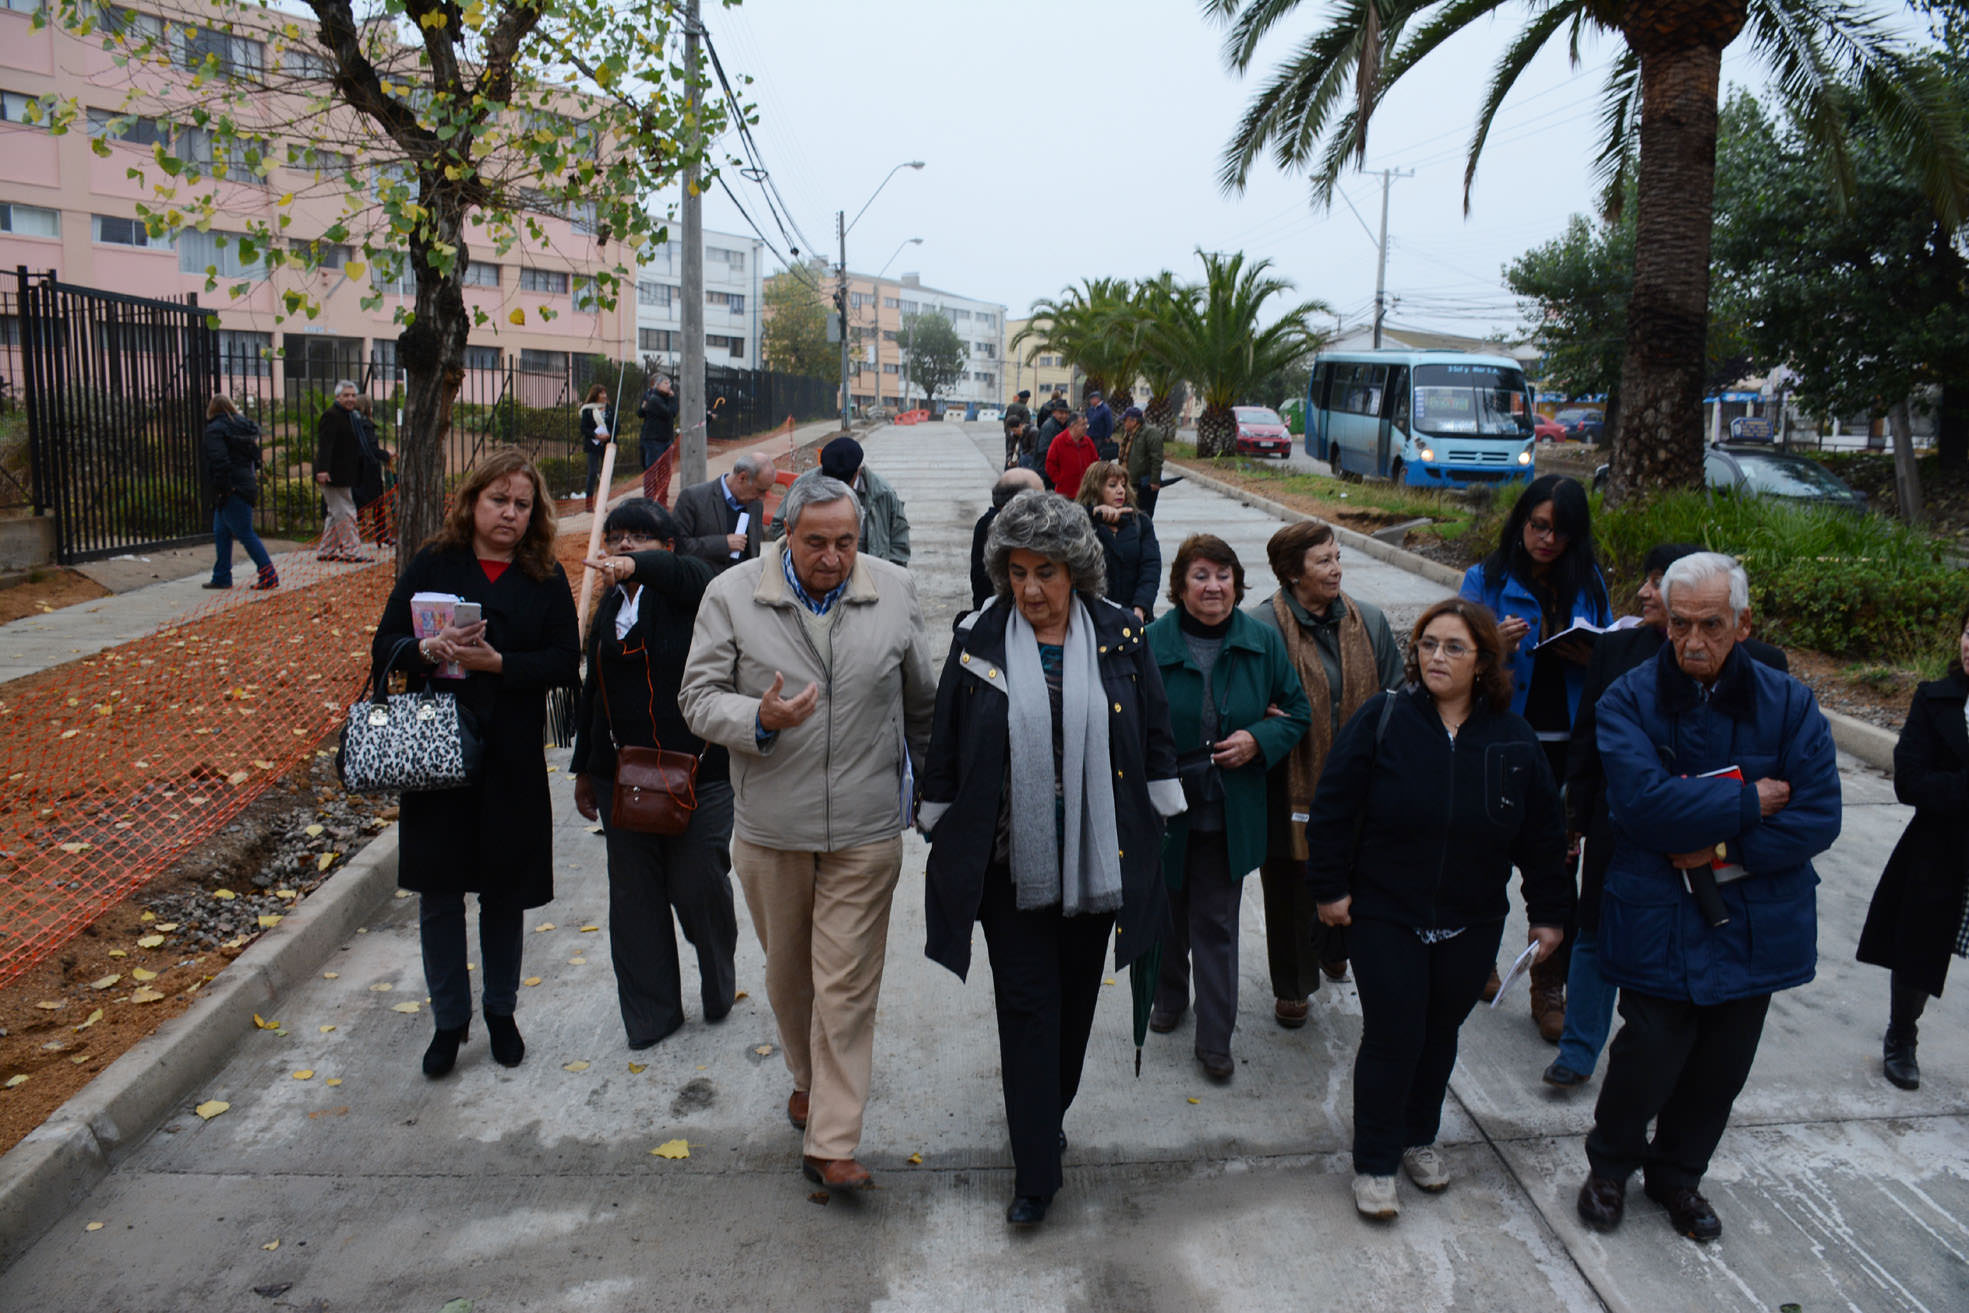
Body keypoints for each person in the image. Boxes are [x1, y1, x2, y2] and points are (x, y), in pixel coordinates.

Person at [921, 490, 1185, 1229]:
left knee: (1071, 1009)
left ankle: (1046, 1112)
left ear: (1076, 569)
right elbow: (945, 732)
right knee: (1027, 1007)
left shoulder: (1120, 635)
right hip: (1010, 862)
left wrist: (1161, 800)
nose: (1030, 589)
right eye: (1016, 570)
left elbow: (1153, 728)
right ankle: (1034, 1170)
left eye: (1046, 571)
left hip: (1097, 856)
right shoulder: (978, 636)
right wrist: (937, 808)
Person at [678, 472, 936, 1192]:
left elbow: (922, 702)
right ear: (782, 532)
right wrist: (759, 720)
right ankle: (805, 1074)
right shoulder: (730, 594)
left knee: (847, 983)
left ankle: (831, 1139)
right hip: (770, 826)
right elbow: (695, 698)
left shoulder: (893, 589)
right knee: (790, 976)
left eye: (845, 542)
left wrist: (934, 790)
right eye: (816, 542)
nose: (832, 557)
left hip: (865, 825)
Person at [1577, 552, 1841, 1244]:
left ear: (1743, 624)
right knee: (1647, 1054)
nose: (1693, 641)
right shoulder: (1627, 698)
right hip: (1657, 910)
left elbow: (1817, 816)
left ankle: (1678, 1177)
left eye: (1711, 625)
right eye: (1680, 624)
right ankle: (1608, 1166)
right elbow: (1640, 808)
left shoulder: (1788, 703)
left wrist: (1720, 844)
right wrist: (1750, 799)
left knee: (1720, 1066)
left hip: (1753, 919)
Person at [1307, 597, 1569, 1220]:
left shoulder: (1513, 738)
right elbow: (1334, 807)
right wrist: (1329, 888)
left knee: (1438, 1035)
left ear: (1484, 661)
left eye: (1454, 647)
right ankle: (1374, 1161)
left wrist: (1549, 912)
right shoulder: (1385, 717)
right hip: (1385, 913)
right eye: (1427, 644)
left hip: (1472, 919)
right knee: (1394, 1035)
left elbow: (1542, 835)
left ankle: (1417, 1137)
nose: (1436, 657)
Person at [1547, 543, 1789, 1091]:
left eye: (1658, 581)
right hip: (1624, 825)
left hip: (1717, 837)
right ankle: (1579, 1050)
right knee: (1594, 932)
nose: (1646, 593)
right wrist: (1575, 817)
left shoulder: (1768, 668)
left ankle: (1666, 1064)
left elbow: (1790, 784)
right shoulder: (1618, 652)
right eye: (1654, 582)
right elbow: (1587, 740)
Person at [371, 449, 581, 1078]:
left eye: (522, 504)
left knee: (503, 895)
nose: (509, 513)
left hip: (512, 758)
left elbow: (565, 662)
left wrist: (501, 665)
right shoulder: (436, 563)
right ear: (472, 501)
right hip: (438, 754)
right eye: (499, 500)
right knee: (439, 894)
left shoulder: (544, 576)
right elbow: (385, 646)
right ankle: (447, 1021)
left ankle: (500, 1013)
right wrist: (426, 648)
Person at [572, 499, 738, 1049]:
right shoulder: (606, 608)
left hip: (701, 771)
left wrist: (640, 567)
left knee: (698, 886)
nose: (624, 546)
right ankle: (652, 1017)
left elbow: (688, 571)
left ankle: (718, 985)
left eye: (640, 536)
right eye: (616, 537)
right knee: (635, 901)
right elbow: (593, 692)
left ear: (667, 546)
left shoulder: (696, 593)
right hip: (622, 778)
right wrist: (583, 770)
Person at [1146, 534, 1310, 1080]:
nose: (1213, 586)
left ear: (1237, 585)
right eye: (1201, 575)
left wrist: (1259, 739)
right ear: (1181, 586)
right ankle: (1169, 998)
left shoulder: (1261, 643)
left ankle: (1216, 1038)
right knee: (1168, 912)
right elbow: (1127, 721)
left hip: (1228, 808)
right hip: (1165, 806)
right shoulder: (1150, 642)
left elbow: (1297, 711)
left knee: (1215, 923)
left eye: (1223, 575)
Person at [1459, 473, 1610, 1039]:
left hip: (1567, 746)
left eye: (1560, 531)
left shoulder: (1587, 582)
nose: (1547, 539)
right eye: (1539, 526)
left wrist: (1590, 654)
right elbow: (1451, 654)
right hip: (1503, 738)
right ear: (1522, 522)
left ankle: (1549, 987)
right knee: (1487, 856)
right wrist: (1494, 644)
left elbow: (1610, 652)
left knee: (1557, 867)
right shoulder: (1487, 578)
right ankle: (1479, 962)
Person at [1248, 520, 1402, 1025]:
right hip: (1287, 780)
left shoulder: (1370, 622)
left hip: (1360, 780)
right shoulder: (1261, 627)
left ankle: (1336, 943)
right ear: (1292, 573)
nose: (1337, 570)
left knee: (1356, 869)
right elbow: (1244, 700)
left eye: (1338, 558)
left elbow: (1397, 693)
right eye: (1324, 561)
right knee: (1293, 881)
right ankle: (1293, 984)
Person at [1856, 601, 1969, 1091]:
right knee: (1918, 946)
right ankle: (1902, 1036)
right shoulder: (1935, 699)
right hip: (1940, 847)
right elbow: (1910, 781)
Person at [201, 396, 278, 591]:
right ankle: (221, 575)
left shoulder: (214, 430)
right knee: (221, 531)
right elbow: (255, 456)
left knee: (245, 533)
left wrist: (225, 487)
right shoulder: (245, 428)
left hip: (231, 487)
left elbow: (219, 460)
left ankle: (269, 575)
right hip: (245, 482)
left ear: (211, 410)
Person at [1074, 460, 1160, 621]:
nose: (1120, 490)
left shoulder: (1140, 521)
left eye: (1123, 485)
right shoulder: (1082, 522)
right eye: (1112, 485)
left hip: (1132, 614)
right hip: (1092, 615)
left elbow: (1151, 568)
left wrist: (1141, 606)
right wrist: (1091, 513)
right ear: (1095, 489)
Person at [672, 451, 775, 573]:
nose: (762, 497)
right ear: (742, 477)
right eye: (760, 490)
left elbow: (754, 552)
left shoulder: (755, 504)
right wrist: (723, 544)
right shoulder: (693, 498)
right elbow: (679, 547)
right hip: (704, 586)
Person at [816, 436, 911, 567]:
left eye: (844, 482)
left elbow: (899, 539)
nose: (838, 489)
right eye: (832, 483)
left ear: (858, 472)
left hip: (869, 577)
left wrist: (890, 575)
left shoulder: (883, 494)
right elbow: (781, 527)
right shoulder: (803, 490)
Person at [971, 467, 1044, 612]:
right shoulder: (1001, 527)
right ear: (1018, 503)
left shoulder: (988, 522)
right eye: (1040, 499)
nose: (1046, 506)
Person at [314, 380, 370, 562]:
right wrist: (322, 469)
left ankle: (326, 550)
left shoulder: (350, 416)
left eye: (353, 395)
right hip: (333, 474)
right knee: (346, 512)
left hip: (345, 473)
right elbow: (325, 444)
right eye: (346, 395)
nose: (350, 399)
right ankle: (353, 551)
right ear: (337, 397)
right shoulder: (331, 416)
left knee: (335, 512)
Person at [349, 394, 393, 545]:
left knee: (357, 505)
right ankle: (381, 535)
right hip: (368, 470)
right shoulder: (365, 425)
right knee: (377, 504)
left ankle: (349, 539)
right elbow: (372, 449)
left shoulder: (354, 422)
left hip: (357, 469)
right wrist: (387, 455)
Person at [637, 373, 680, 504]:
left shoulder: (665, 397)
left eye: (669, 383)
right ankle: (649, 500)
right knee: (652, 470)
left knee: (665, 472)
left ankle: (662, 499)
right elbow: (669, 413)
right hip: (653, 440)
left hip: (666, 439)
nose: (669, 386)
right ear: (657, 384)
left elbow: (674, 411)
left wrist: (672, 399)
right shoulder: (653, 398)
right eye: (666, 383)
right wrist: (673, 399)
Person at [1045, 412, 1099, 507]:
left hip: (1086, 493)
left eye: (1087, 424)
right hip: (1065, 493)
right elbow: (1050, 464)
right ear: (1073, 425)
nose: (1086, 427)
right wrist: (1060, 479)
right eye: (1083, 424)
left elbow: (1096, 463)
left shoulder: (1088, 442)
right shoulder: (1059, 441)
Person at [1122, 406, 1167, 519]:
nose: (1123, 423)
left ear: (1134, 421)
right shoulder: (1130, 434)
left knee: (1145, 514)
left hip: (1145, 483)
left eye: (1125, 420)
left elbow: (1157, 458)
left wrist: (1155, 481)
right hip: (1131, 482)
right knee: (1131, 513)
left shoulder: (1151, 433)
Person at [579, 383, 616, 515]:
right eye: (601, 393)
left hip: (607, 444)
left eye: (605, 393)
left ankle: (602, 502)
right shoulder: (588, 410)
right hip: (593, 444)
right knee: (592, 472)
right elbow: (583, 428)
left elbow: (616, 425)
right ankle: (589, 504)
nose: (604, 396)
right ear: (595, 395)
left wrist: (609, 435)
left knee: (606, 474)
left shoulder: (610, 409)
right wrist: (595, 435)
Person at [1036, 400, 1070, 486]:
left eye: (1066, 413)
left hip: (1055, 470)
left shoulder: (1064, 425)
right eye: (1061, 413)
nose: (1064, 416)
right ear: (1054, 412)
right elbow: (1043, 449)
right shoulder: (1049, 427)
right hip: (1046, 471)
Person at [1003, 390, 1033, 465]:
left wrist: (1007, 432)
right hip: (1019, 436)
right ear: (1026, 399)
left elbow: (1005, 420)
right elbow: (1026, 424)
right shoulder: (1025, 409)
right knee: (1018, 456)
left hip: (1009, 434)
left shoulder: (1011, 406)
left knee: (1009, 454)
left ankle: (1007, 470)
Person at [1084, 387, 1115, 458]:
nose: (1090, 401)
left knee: (1096, 454)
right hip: (1089, 435)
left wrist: (1108, 436)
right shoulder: (1091, 409)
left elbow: (1109, 423)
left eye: (1092, 399)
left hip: (1099, 437)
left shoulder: (1105, 409)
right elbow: (1086, 419)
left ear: (1097, 399)